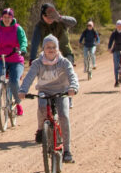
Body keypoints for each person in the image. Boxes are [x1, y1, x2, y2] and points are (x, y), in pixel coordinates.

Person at [20, 34, 79, 163]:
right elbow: (29, 77)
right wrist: (23, 90)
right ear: (43, 48)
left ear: (57, 49)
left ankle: (67, 150)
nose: (51, 49)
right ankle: (41, 130)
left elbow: (72, 76)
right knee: (41, 108)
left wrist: (73, 88)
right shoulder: (37, 63)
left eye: (53, 47)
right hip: (44, 91)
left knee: (64, 116)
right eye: (48, 47)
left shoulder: (64, 62)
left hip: (61, 91)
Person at [0, 7, 27, 117]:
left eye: (9, 17)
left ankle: (18, 103)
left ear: (12, 18)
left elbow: (23, 41)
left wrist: (22, 49)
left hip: (16, 58)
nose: (7, 19)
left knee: (14, 81)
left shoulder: (18, 29)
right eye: (5, 17)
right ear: (1, 18)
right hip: (1, 57)